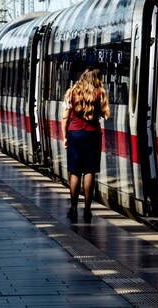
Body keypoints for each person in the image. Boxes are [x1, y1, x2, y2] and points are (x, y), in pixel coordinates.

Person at [61, 68, 110, 220]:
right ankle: (87, 210)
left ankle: (74, 208)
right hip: (92, 134)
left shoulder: (71, 92)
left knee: (75, 171)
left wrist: (65, 137)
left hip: (75, 134)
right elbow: (104, 113)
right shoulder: (99, 94)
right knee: (89, 171)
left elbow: (65, 117)